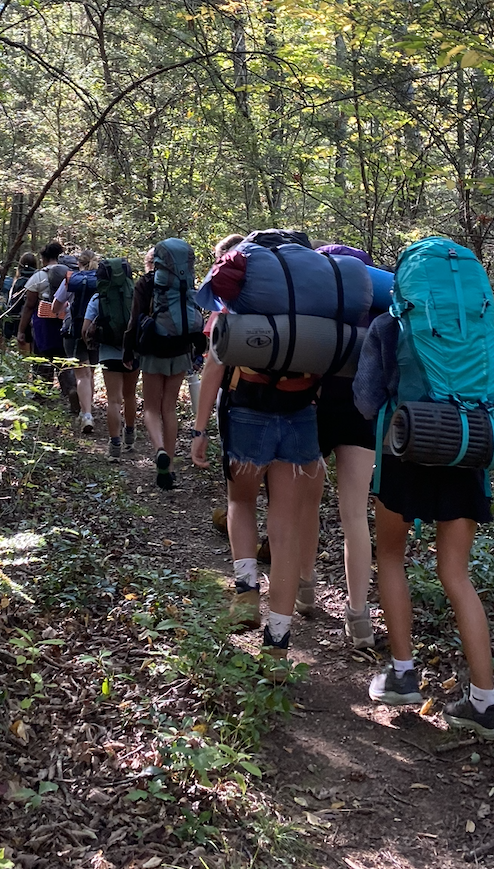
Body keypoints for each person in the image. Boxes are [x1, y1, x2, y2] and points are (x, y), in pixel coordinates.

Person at [353, 313, 494, 740]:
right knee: (457, 574)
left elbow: (366, 400)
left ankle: (402, 675)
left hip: (405, 448)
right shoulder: (479, 329)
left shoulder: (389, 325)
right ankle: (484, 703)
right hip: (468, 448)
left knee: (390, 555)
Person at [190, 302, 324, 670]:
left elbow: (216, 364)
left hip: (248, 409)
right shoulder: (316, 308)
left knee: (241, 502)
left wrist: (199, 429)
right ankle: (278, 645)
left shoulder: (240, 302)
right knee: (286, 526)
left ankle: (247, 593)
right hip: (300, 413)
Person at [298, 245, 381, 649]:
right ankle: (359, 616)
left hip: (315, 408)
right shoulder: (379, 311)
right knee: (355, 515)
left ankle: (306, 585)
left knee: (306, 504)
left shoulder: (314, 303)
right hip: (361, 413)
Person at [123, 242, 200, 490]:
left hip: (153, 350)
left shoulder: (145, 283)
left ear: (153, 263)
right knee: (169, 407)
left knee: (151, 408)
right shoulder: (185, 283)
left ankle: (159, 452)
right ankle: (170, 462)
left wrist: (128, 350)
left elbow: (134, 320)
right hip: (180, 349)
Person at [84, 257, 137, 460]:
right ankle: (130, 437)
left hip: (108, 353)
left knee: (114, 399)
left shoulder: (99, 298)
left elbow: (85, 330)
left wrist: (94, 343)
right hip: (132, 351)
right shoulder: (135, 296)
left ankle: (114, 446)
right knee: (130, 394)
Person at [17, 241, 75, 410]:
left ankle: (42, 395)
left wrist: (21, 330)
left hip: (43, 321)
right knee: (65, 357)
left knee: (42, 355)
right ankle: (71, 389)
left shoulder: (38, 276)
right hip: (66, 320)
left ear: (43, 259)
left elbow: (29, 305)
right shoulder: (70, 273)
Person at [61, 250, 99, 437]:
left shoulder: (71, 279)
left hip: (74, 330)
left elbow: (55, 305)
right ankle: (88, 408)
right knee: (90, 372)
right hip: (96, 332)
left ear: (79, 264)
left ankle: (87, 414)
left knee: (81, 374)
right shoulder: (102, 280)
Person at [2, 253, 37, 346]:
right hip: (35, 321)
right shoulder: (38, 279)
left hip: (19, 321)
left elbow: (14, 305)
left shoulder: (19, 281)